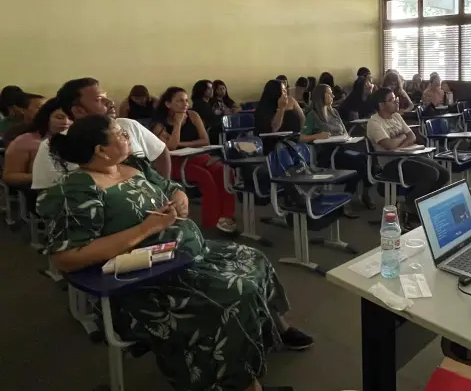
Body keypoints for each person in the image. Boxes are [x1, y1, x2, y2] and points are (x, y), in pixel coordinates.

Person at [38, 115, 314, 391]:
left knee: (254, 259)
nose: (127, 136)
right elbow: (67, 257)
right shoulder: (78, 189)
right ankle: (241, 384)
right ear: (101, 150)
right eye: (121, 134)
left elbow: (171, 187)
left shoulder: (133, 164)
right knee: (231, 295)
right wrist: (148, 228)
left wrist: (180, 199)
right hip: (148, 279)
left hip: (187, 254)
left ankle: (275, 331)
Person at [31, 78, 171, 190]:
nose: (110, 102)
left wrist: (162, 189)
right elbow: (46, 192)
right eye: (99, 100)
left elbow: (161, 151)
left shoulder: (128, 125)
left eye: (106, 97)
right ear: (79, 111)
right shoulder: (54, 146)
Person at [151, 87, 235, 234]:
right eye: (179, 101)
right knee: (206, 177)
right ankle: (211, 222)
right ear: (168, 104)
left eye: (186, 100)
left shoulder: (193, 115)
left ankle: (225, 217)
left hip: (197, 155)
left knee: (224, 171)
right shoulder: (160, 124)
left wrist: (182, 144)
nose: (185, 104)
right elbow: (170, 147)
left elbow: (204, 140)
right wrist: (177, 124)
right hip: (174, 162)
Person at [366, 87, 449, 226]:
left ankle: (419, 206)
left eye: (396, 98)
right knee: (431, 174)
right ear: (381, 105)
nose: (396, 102)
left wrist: (400, 142)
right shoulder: (374, 122)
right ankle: (411, 206)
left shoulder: (397, 116)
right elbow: (389, 145)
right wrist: (402, 138)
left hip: (407, 156)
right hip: (391, 164)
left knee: (443, 174)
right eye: (392, 100)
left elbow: (412, 136)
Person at [301, 84, 374, 213]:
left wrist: (347, 138)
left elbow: (345, 132)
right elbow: (302, 138)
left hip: (341, 149)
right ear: (320, 96)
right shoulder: (313, 115)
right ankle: (349, 198)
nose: (333, 96)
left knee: (367, 158)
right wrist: (318, 135)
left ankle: (362, 192)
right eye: (329, 93)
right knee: (357, 164)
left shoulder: (334, 112)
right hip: (326, 155)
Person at [3, 97, 71, 189]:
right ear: (47, 118)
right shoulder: (25, 140)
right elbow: (10, 177)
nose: (66, 122)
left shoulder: (79, 139)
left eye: (71, 118)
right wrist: (41, 177)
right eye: (59, 117)